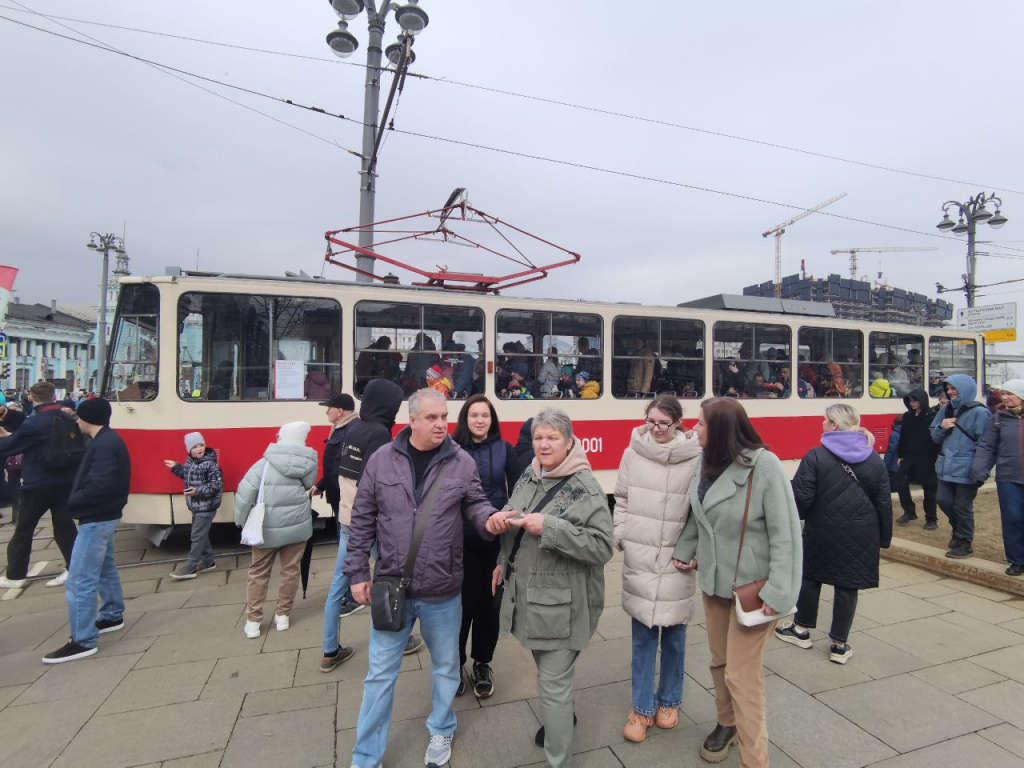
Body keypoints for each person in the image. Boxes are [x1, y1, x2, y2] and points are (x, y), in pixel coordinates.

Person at [344, 389, 502, 768]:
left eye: (444, 416)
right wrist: (355, 572)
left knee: (447, 667)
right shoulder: (382, 460)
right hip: (391, 586)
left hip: (443, 591)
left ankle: (442, 727)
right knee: (379, 676)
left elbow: (476, 503)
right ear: (411, 420)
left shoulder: (461, 462)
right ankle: (366, 757)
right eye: (432, 418)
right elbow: (362, 518)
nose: (441, 424)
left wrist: (488, 519)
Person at [672, 397, 801, 767]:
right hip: (715, 583)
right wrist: (686, 548)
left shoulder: (765, 467)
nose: (694, 429)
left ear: (722, 429)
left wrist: (779, 592)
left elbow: (786, 535)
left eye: (700, 423)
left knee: (742, 677)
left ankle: (754, 759)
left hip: (755, 592)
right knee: (719, 662)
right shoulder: (705, 462)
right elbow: (698, 517)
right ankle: (726, 724)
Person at [487, 408, 614, 768]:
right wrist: (503, 525)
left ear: (570, 442)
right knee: (548, 673)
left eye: (552, 438)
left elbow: (603, 547)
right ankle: (563, 720)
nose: (543, 444)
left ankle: (559, 759)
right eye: (538, 437)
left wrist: (552, 528)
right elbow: (517, 509)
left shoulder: (586, 488)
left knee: (552, 685)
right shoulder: (532, 473)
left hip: (563, 604)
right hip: (532, 597)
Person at [613, 395, 701, 742]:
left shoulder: (696, 457)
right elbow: (620, 498)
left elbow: (700, 511)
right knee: (642, 639)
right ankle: (641, 707)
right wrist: (622, 536)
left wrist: (694, 551)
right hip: (642, 557)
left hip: (678, 560)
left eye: (664, 423)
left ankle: (669, 701)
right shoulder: (632, 452)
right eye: (651, 421)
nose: (656, 429)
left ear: (678, 422)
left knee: (676, 638)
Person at [776, 404, 892, 665]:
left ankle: (801, 629)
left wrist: (799, 518)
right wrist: (884, 538)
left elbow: (802, 499)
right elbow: (883, 501)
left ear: (835, 425)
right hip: (863, 532)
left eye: (825, 421)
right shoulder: (873, 457)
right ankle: (839, 644)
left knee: (811, 578)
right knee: (848, 585)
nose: (822, 424)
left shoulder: (816, 456)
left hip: (823, 529)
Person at [321, 380, 421, 672]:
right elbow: (378, 482)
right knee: (393, 577)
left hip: (347, 518)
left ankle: (329, 650)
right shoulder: (379, 433)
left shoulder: (353, 428)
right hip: (370, 522)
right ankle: (400, 641)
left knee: (338, 586)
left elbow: (342, 472)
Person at [41, 398, 129, 663]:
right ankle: (112, 614)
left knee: (79, 580)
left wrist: (73, 501)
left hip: (96, 517)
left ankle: (83, 639)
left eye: (79, 417)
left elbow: (101, 485)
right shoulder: (109, 440)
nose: (77, 421)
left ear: (89, 419)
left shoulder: (104, 444)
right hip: (105, 515)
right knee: (104, 566)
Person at [452, 395, 519, 698]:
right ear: (465, 418)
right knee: (460, 607)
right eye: (474, 415)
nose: (480, 420)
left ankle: (482, 662)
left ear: (492, 420)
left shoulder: (505, 450)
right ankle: (454, 664)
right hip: (457, 542)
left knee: (490, 606)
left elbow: (518, 493)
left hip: (494, 542)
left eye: (486, 416)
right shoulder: (451, 451)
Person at [234, 421, 317, 639]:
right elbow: (308, 485)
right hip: (297, 526)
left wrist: (241, 520)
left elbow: (244, 494)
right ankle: (283, 616)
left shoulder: (263, 464)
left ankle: (253, 621)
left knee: (258, 573)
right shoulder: (308, 461)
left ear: (281, 438)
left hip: (266, 528)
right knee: (290, 571)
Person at [0, 381, 83, 590]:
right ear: (54, 396)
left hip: (38, 483)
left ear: (31, 398)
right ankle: (73, 568)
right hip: (65, 481)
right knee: (65, 527)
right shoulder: (68, 417)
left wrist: (4, 438)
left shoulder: (34, 422)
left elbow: (12, 446)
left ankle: (16, 575)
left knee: (24, 529)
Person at [930, 374, 990, 558]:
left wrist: (980, 469)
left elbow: (985, 444)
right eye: (948, 389)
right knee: (943, 500)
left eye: (953, 388)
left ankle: (964, 541)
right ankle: (958, 530)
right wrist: (942, 427)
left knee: (962, 506)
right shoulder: (945, 410)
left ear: (965, 389)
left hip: (967, 468)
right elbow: (933, 436)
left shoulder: (980, 413)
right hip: (945, 466)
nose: (950, 392)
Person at [971, 379, 1024, 576]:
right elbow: (986, 447)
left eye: (1011, 393)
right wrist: (979, 472)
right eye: (1004, 393)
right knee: (1013, 519)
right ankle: (1017, 560)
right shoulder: (997, 419)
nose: (1005, 397)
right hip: (1008, 478)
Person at [163, 432, 223, 580]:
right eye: (195, 447)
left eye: (201, 445)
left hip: (207, 506)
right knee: (200, 534)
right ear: (189, 450)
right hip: (197, 505)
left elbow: (216, 485)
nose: (199, 448)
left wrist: (197, 491)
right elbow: (188, 475)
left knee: (197, 536)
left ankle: (190, 567)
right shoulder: (191, 462)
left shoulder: (210, 464)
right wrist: (176, 467)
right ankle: (208, 561)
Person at [895, 389, 940, 530]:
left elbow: (936, 440)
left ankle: (931, 518)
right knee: (900, 483)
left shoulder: (932, 417)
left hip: (927, 458)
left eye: (915, 400)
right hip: (909, 457)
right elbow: (903, 437)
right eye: (910, 401)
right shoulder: (907, 416)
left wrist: (936, 457)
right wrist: (900, 455)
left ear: (922, 400)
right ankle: (909, 511)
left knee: (929, 489)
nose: (912, 403)